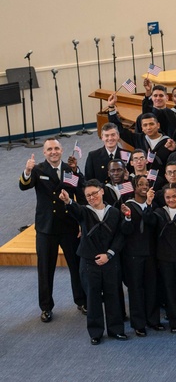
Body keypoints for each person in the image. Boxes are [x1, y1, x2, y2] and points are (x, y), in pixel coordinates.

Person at [19, 138, 87, 322]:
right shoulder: (37, 170)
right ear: (44, 152)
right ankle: (46, 307)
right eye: (49, 149)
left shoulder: (69, 169)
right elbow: (24, 185)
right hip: (46, 227)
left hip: (68, 225)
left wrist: (82, 221)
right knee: (45, 269)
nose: (53, 152)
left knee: (76, 265)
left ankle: (82, 301)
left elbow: (81, 193)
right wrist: (26, 171)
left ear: (62, 150)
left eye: (56, 148)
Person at [61, 180, 127, 344]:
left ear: (102, 191)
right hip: (89, 264)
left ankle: (116, 330)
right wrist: (68, 201)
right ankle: (95, 333)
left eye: (94, 193)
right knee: (93, 298)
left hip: (110, 261)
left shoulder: (114, 213)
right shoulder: (84, 212)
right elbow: (74, 209)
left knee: (113, 296)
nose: (92, 197)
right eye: (88, 195)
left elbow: (120, 236)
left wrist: (109, 254)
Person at [142, 185, 176, 333]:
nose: (171, 200)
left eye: (174, 196)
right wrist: (148, 203)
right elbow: (148, 220)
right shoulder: (159, 212)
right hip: (164, 259)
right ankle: (174, 321)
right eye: (168, 197)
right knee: (170, 292)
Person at [119, 176, 160, 335]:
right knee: (136, 289)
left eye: (147, 184)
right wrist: (128, 217)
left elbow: (152, 222)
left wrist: (149, 205)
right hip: (133, 254)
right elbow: (125, 231)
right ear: (134, 188)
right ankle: (138, 323)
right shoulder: (127, 206)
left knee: (152, 287)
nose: (144, 187)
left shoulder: (153, 205)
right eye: (140, 184)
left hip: (151, 253)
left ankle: (153, 320)